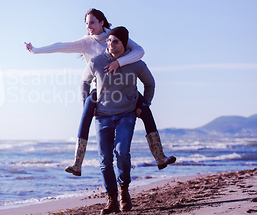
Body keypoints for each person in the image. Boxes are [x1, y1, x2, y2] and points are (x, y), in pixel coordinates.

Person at [25, 9, 175, 176]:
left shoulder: (115, 35)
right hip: (100, 89)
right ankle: (77, 163)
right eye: (87, 24)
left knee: (146, 110)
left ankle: (160, 157)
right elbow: (60, 46)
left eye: (92, 23)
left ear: (102, 22)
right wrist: (35, 50)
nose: (89, 27)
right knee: (85, 114)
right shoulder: (86, 42)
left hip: (123, 87)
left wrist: (118, 62)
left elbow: (139, 52)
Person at [83, 26, 153, 214]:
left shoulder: (136, 63)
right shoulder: (97, 62)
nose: (110, 44)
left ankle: (124, 191)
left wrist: (143, 105)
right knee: (105, 160)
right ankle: (111, 199)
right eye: (108, 41)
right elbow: (85, 82)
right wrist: (88, 106)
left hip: (126, 114)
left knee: (122, 152)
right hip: (103, 116)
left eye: (115, 41)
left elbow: (150, 83)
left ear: (124, 44)